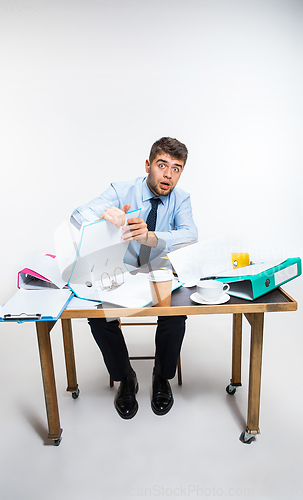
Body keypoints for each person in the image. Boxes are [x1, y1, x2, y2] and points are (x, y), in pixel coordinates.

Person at [70, 137, 198, 419]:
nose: (168, 175)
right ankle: (125, 377)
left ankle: (161, 376)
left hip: (160, 274)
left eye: (176, 169)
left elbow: (190, 235)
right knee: (98, 315)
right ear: (148, 165)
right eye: (162, 165)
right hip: (123, 273)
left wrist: (152, 237)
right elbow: (78, 216)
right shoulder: (121, 190)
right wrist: (102, 214)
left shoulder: (181, 199)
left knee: (176, 312)